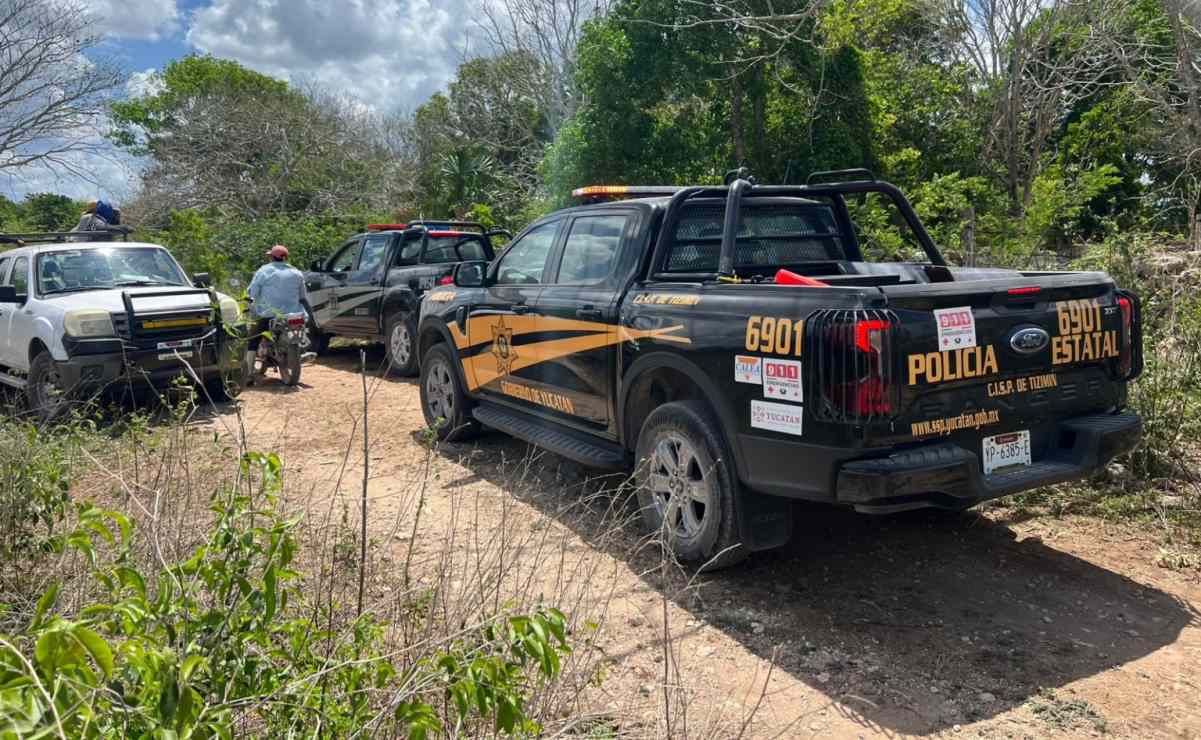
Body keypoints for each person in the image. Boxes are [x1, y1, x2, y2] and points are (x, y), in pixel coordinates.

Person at [245, 244, 313, 383]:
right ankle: (301, 352)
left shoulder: (264, 271)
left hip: (268, 314)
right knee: (302, 332)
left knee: (252, 339)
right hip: (294, 314)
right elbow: (302, 296)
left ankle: (249, 374)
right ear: (285, 258)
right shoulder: (296, 273)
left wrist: (249, 298)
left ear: (271, 257)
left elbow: (252, 292)